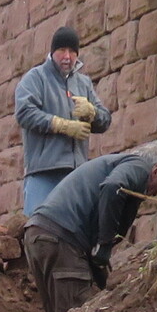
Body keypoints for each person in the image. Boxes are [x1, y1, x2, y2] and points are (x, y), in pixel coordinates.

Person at [23, 140, 157, 312]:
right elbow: (113, 187)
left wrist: (102, 269)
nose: (156, 193)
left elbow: (93, 225)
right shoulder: (139, 165)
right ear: (155, 170)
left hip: (37, 234)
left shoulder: (111, 165)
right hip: (61, 238)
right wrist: (105, 245)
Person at [12, 26, 112, 215]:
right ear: (52, 52)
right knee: (38, 227)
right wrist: (61, 125)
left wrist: (93, 113)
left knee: (76, 230)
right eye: (62, 50)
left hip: (77, 175)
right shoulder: (35, 78)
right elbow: (24, 113)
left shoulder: (84, 83)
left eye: (72, 51)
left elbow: (105, 120)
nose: (67, 56)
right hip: (43, 173)